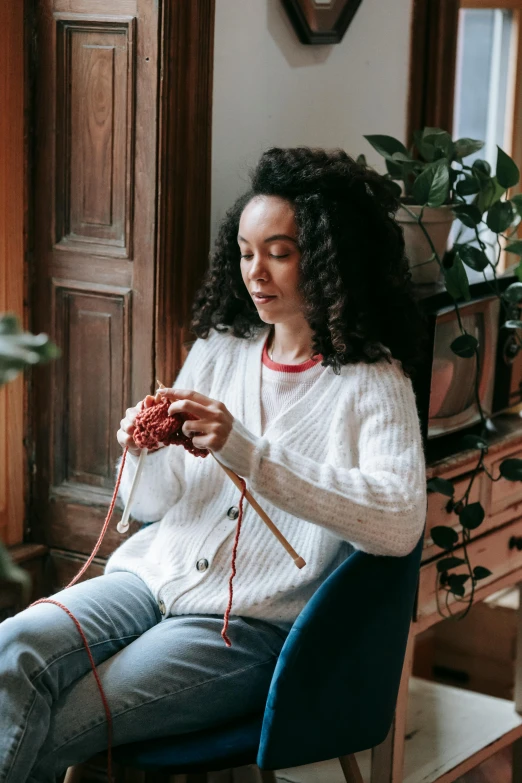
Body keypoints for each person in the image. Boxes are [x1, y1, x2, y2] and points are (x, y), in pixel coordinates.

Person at [0, 147, 427, 781]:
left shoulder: (372, 381)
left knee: (64, 720)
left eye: (279, 253)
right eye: (247, 253)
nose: (257, 273)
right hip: (148, 580)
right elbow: (150, 509)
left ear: (331, 256)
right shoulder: (220, 349)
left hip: (245, 627)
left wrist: (246, 451)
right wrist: (144, 451)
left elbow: (397, 523)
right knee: (12, 649)